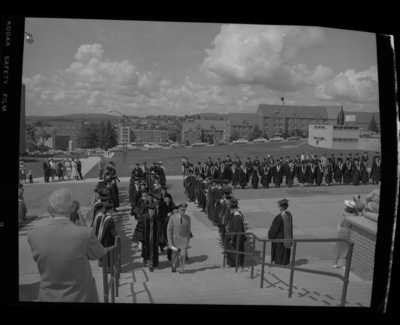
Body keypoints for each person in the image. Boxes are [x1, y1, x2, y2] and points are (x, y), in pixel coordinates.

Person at [27, 188, 105, 302]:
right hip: (81, 298)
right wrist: (85, 229)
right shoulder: (84, 233)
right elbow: (98, 253)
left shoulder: (33, 235)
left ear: (49, 209)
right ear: (72, 208)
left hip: (48, 297)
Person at [268, 199, 293, 266]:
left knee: (280, 252)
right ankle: (285, 262)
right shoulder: (289, 214)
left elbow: (274, 229)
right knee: (285, 252)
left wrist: (271, 236)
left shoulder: (279, 217)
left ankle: (280, 263)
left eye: (278, 206)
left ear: (280, 207)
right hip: (287, 237)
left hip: (280, 238)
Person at [167, 203, 191, 274]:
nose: (183, 211)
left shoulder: (188, 218)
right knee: (175, 254)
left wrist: (187, 241)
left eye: (184, 210)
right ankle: (174, 266)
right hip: (175, 240)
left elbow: (188, 230)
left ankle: (181, 269)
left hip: (184, 239)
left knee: (183, 254)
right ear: (178, 210)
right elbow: (169, 230)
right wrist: (170, 242)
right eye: (182, 210)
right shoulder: (172, 217)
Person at [139, 203, 163, 272]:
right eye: (151, 211)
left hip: (154, 238)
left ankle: (151, 264)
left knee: (153, 251)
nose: (152, 212)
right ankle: (145, 259)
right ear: (148, 210)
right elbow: (140, 228)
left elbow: (160, 227)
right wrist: (140, 238)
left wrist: (161, 236)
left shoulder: (157, 217)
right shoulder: (143, 217)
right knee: (146, 250)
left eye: (153, 210)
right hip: (146, 238)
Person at [224, 198, 246, 267]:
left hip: (236, 238)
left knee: (234, 249)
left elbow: (235, 230)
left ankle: (234, 263)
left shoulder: (237, 217)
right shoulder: (239, 215)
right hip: (237, 236)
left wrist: (232, 238)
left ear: (232, 209)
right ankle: (236, 262)